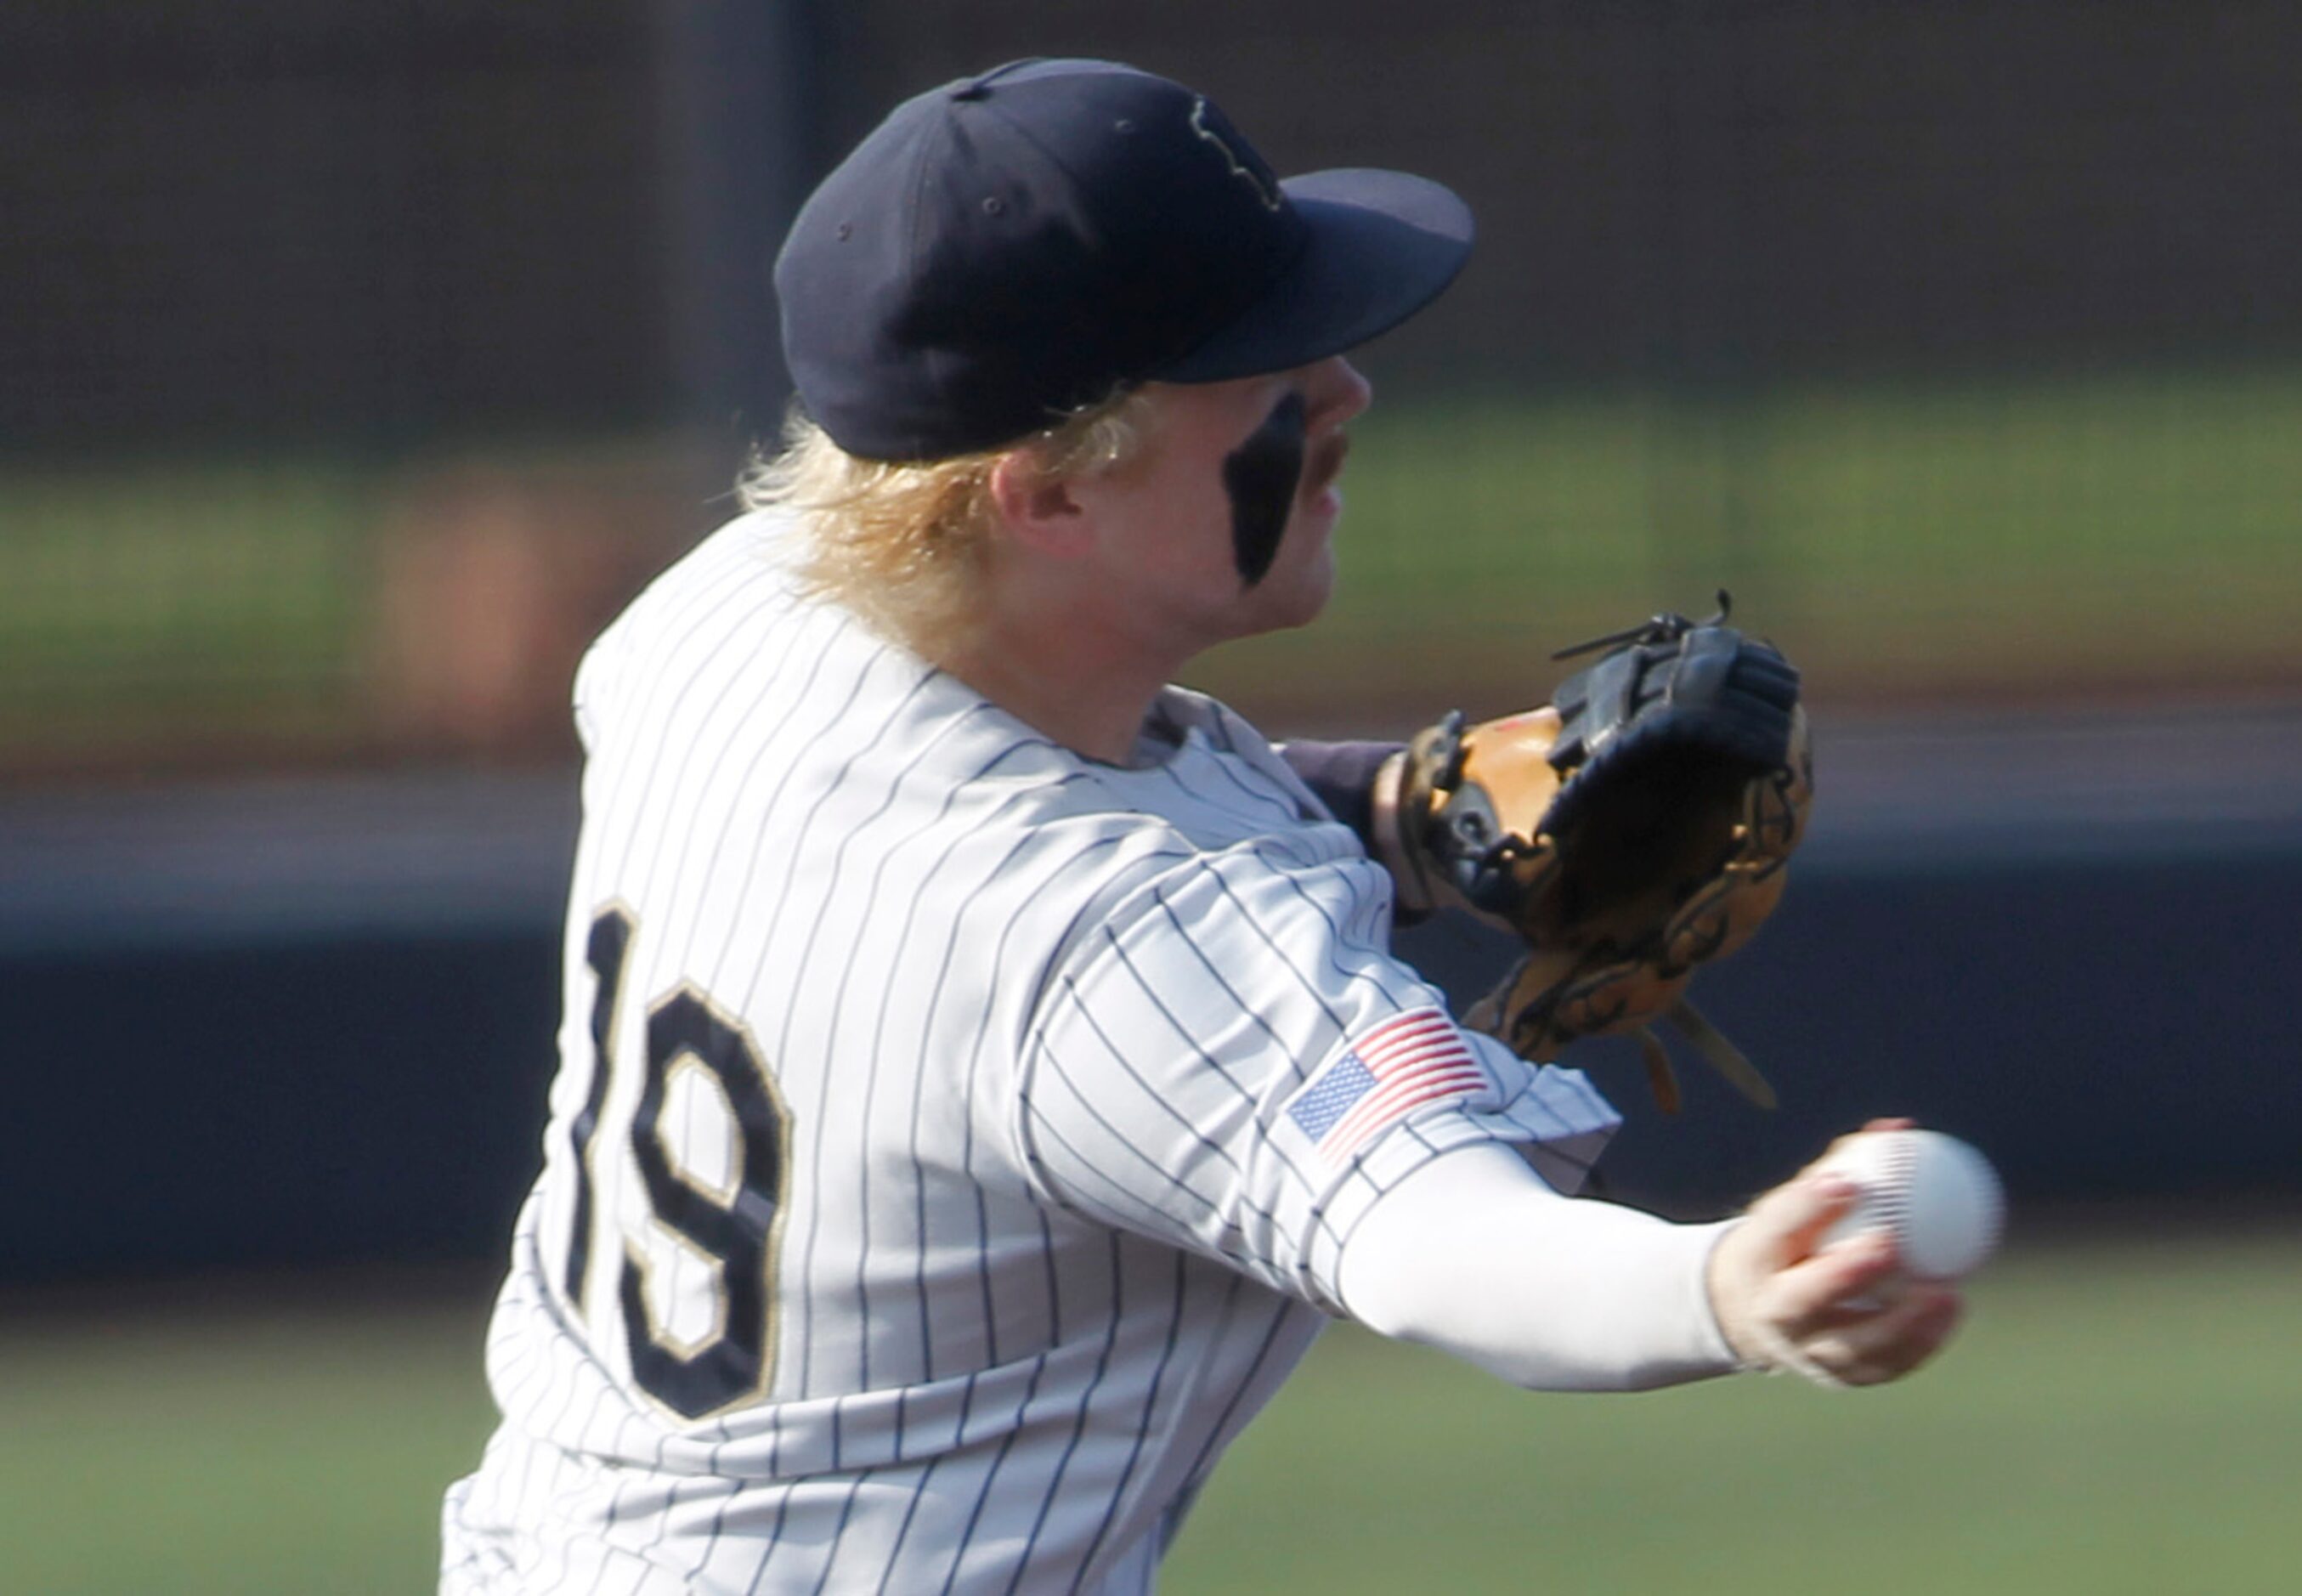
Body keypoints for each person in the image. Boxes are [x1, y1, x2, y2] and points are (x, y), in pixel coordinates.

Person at [439, 58, 1960, 1594]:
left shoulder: (728, 625)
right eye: (1260, 367)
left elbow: (1017, 848)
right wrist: (1731, 1285)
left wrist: (1392, 813)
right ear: (1047, 497)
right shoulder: (1132, 951)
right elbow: (1456, 1253)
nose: (1343, 392)